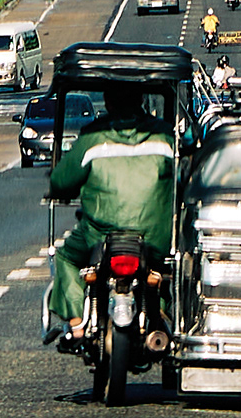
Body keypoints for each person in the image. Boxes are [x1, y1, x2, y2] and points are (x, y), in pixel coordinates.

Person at [43, 79, 180, 348]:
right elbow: (184, 177)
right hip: (155, 237)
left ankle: (76, 324)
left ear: (108, 102)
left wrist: (58, 187)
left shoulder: (92, 137)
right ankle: (159, 311)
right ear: (141, 100)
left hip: (99, 235)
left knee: (66, 257)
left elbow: (61, 182)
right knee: (165, 267)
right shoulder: (166, 137)